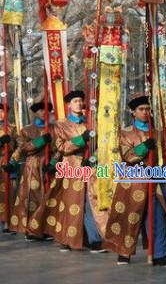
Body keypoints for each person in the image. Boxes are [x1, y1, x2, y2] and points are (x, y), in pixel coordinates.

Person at [104, 93, 166, 267]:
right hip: (133, 180)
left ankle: (159, 254)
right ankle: (124, 251)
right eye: (141, 109)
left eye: (147, 109)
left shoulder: (160, 132)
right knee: (129, 217)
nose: (145, 112)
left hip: (155, 179)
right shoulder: (125, 133)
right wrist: (144, 147)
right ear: (133, 112)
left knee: (157, 218)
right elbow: (127, 156)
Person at [28, 90, 105, 253]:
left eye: (80, 100)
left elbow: (99, 145)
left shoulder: (91, 123)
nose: (79, 103)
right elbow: (61, 147)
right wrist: (81, 140)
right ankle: (66, 237)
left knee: (91, 201)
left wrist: (93, 157)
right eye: (75, 101)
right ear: (69, 105)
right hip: (70, 167)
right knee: (70, 203)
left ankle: (94, 239)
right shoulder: (60, 125)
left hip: (89, 167)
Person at [8, 101, 54, 240]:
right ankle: (31, 230)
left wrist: (52, 162)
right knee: (33, 198)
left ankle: (45, 228)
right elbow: (24, 147)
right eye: (40, 110)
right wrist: (41, 141)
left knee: (49, 197)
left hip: (49, 165)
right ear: (35, 112)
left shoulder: (54, 128)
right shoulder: (26, 130)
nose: (43, 112)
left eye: (45, 110)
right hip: (33, 165)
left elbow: (58, 147)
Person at [0, 103, 18, 233]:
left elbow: (19, 147)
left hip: (8, 163)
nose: (1, 114)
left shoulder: (13, 128)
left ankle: (7, 221)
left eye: (3, 111)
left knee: (9, 193)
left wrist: (12, 162)